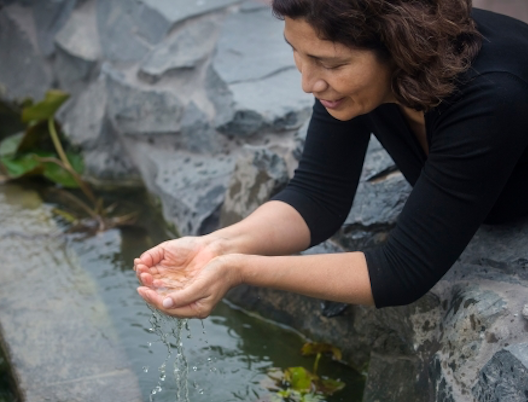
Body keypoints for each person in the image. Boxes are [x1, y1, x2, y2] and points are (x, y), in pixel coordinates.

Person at [134, 0, 528, 319]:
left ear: (401, 48)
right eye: (297, 52)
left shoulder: (492, 96)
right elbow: (316, 197)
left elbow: (401, 273)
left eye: (331, 64)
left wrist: (239, 270)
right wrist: (215, 246)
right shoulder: (361, 85)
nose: (309, 82)